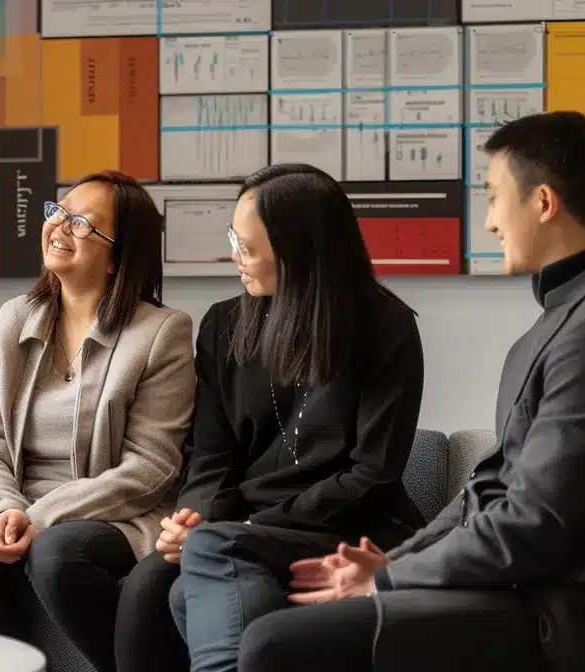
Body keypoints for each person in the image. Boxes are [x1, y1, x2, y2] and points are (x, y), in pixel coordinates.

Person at [240, 112, 585, 672]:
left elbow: (535, 524)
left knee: (273, 645)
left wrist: (387, 580)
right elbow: (486, 490)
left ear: (544, 202)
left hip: (557, 609)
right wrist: (393, 564)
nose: (488, 223)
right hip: (518, 585)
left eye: (493, 197)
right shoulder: (562, 319)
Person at [151, 164, 426, 672]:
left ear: (301, 254)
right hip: (235, 530)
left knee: (197, 577)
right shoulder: (224, 326)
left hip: (349, 526)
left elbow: (373, 474)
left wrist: (243, 526)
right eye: (235, 238)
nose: (235, 256)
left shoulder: (384, 328)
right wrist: (193, 518)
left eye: (249, 247)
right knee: (154, 590)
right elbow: (210, 452)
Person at [0, 171, 195, 672]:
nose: (60, 226)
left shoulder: (162, 333)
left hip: (112, 510)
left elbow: (150, 468)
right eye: (58, 212)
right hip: (12, 504)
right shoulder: (14, 319)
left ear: (118, 257)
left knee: (55, 554)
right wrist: (9, 506)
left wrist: (39, 516)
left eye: (82, 223)